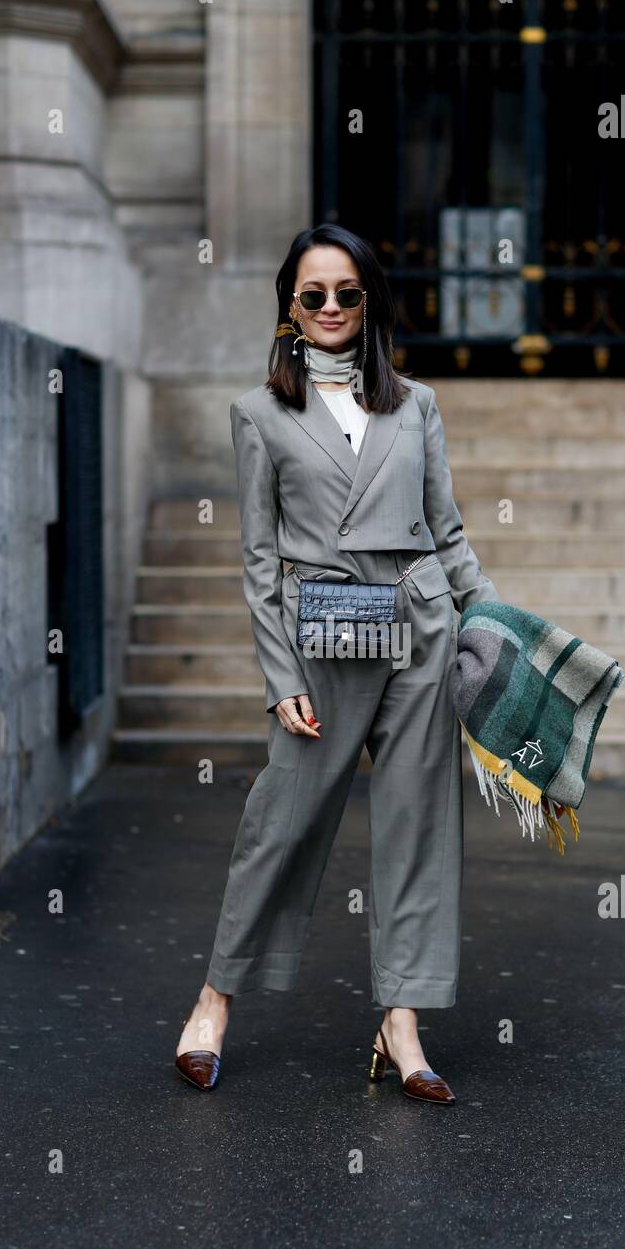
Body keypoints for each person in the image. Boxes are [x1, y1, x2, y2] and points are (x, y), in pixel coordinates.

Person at [175, 224, 500, 1102]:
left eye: (346, 294)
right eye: (313, 294)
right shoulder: (259, 413)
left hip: (423, 626)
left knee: (419, 824)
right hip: (325, 633)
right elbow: (257, 559)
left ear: (370, 303)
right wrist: (278, 678)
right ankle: (213, 1001)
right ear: (289, 303)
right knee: (281, 817)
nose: (328, 308)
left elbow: (449, 528)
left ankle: (402, 1023)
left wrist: (495, 623)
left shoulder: (416, 404)